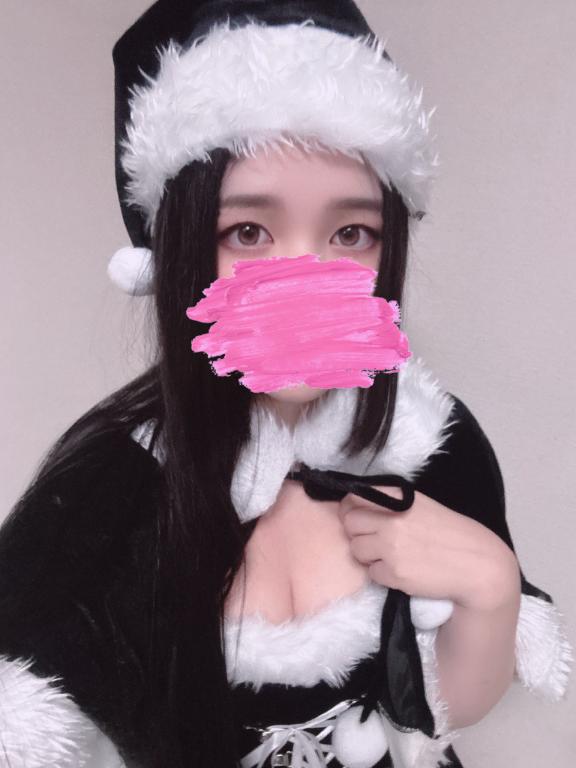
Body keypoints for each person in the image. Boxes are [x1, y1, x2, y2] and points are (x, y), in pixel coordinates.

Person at [0, 2, 572, 767]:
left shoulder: (432, 438)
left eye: (351, 234)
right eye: (248, 233)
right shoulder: (107, 487)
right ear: (178, 254)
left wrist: (491, 587)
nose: (305, 275)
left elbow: (443, 709)